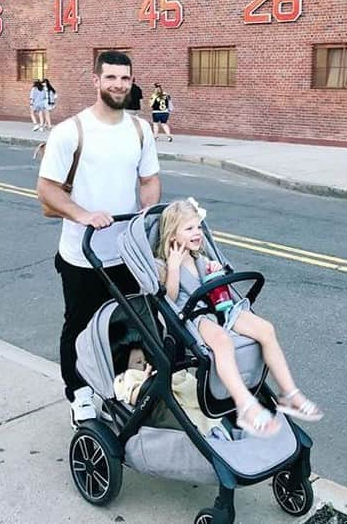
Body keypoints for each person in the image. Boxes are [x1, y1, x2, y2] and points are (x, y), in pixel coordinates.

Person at [36, 50, 161, 423]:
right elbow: (47, 190)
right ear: (96, 81)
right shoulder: (70, 131)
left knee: (128, 325)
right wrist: (83, 215)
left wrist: (146, 211)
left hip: (127, 253)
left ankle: (120, 388)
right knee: (79, 327)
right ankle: (80, 395)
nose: (119, 85)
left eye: (125, 79)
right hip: (82, 255)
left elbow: (150, 179)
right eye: (111, 78)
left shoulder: (139, 130)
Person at [155, 199, 324, 438]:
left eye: (199, 227)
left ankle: (289, 394)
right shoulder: (162, 264)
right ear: (172, 234)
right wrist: (173, 267)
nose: (197, 233)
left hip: (219, 310)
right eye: (189, 229)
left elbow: (217, 288)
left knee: (265, 329)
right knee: (222, 341)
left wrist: (214, 272)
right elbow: (169, 299)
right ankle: (245, 405)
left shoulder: (199, 258)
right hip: (192, 318)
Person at [113, 342, 220, 436]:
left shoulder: (149, 371)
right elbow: (134, 396)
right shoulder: (127, 376)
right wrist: (147, 379)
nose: (145, 364)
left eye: (144, 360)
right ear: (125, 365)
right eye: (138, 362)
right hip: (161, 403)